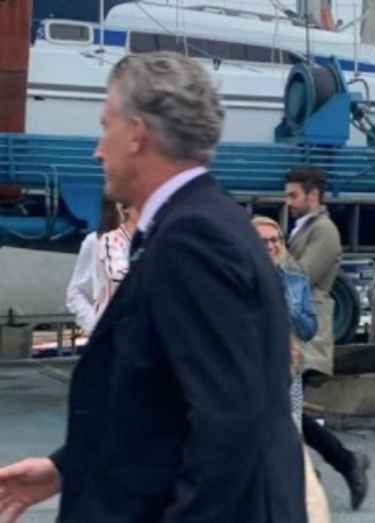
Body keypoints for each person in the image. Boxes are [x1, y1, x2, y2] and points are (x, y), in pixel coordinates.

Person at [0, 52, 305, 523]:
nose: (97, 150)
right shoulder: (202, 223)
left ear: (137, 133)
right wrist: (67, 467)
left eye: (105, 127)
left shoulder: (194, 240)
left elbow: (229, 429)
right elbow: (162, 405)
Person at [284, 165, 371, 510]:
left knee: (284, 412)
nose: (287, 201)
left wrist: (271, 253)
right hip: (293, 332)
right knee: (288, 412)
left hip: (308, 334)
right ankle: (344, 463)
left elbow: (301, 276)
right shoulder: (303, 228)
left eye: (293, 195)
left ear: (313, 195)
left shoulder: (324, 231)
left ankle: (314, 479)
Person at [252, 215, 331, 523]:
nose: (271, 246)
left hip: (288, 370)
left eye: (276, 240)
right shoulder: (240, 278)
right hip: (253, 373)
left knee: (290, 439)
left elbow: (309, 328)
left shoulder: (295, 282)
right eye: (264, 241)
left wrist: (289, 304)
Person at [65, 195, 121, 335]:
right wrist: (94, 325)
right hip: (110, 337)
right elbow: (75, 292)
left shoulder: (151, 241)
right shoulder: (95, 242)